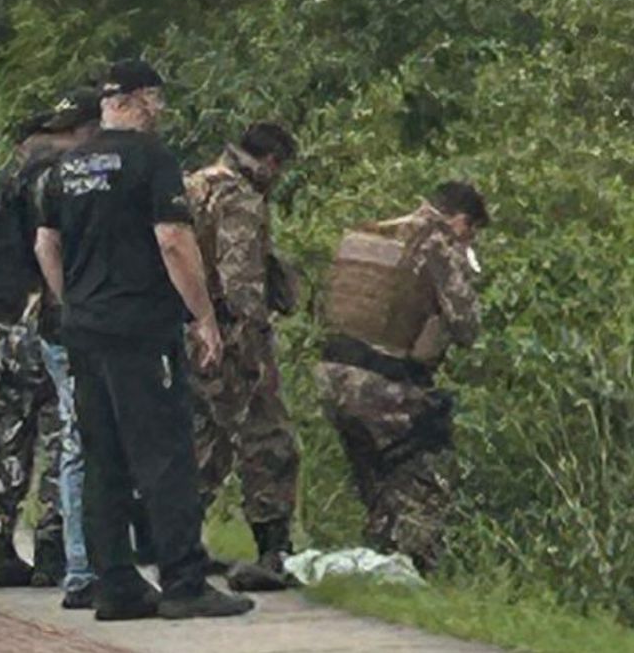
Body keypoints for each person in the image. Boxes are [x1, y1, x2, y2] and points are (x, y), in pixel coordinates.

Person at [34, 59, 254, 621]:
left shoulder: (69, 165)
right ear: (135, 99)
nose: (159, 110)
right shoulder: (152, 159)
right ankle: (183, 579)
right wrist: (202, 315)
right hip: (141, 328)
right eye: (155, 99)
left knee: (103, 456)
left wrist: (73, 302)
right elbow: (174, 239)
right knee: (164, 454)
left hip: (85, 330)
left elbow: (45, 247)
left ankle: (115, 583)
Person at [315, 181, 487, 573]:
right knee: (425, 479)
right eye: (472, 231)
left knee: (377, 481)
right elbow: (466, 327)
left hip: (332, 376)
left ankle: (377, 565)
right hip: (382, 385)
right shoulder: (439, 243)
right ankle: (417, 573)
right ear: (460, 220)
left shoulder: (370, 231)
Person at [0, 99, 100, 590]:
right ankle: (52, 547)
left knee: (6, 436)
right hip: (39, 316)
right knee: (58, 432)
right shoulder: (58, 179)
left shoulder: (0, 180)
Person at [184, 122, 302, 592]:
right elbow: (240, 281)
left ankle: (176, 541)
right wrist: (253, 335)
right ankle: (272, 551)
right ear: (272, 162)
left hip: (188, 326)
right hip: (231, 334)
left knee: (203, 438)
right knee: (268, 439)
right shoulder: (239, 198)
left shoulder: (194, 184)